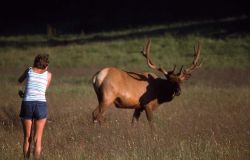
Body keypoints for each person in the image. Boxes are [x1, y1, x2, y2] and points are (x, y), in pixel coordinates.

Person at [18, 54, 52, 159]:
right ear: (46, 65)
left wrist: (21, 92)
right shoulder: (48, 75)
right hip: (41, 104)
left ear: (35, 62)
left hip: (27, 103)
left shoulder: (29, 70)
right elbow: (43, 91)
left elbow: (20, 80)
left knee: (27, 137)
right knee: (38, 139)